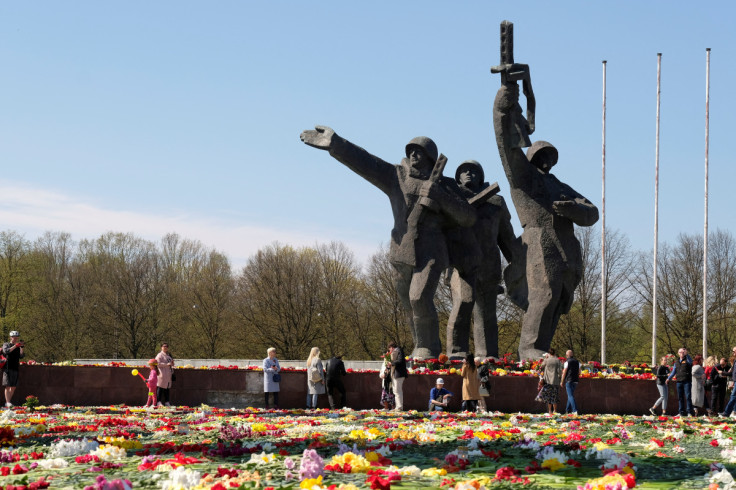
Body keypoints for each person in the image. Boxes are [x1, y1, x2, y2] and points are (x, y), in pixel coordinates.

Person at [301, 126, 477, 359]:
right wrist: (336, 143)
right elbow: (367, 163)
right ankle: (421, 345)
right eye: (411, 151)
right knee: (408, 303)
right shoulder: (397, 177)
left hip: (431, 250)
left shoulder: (444, 185)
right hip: (401, 251)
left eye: (420, 152)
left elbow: (468, 216)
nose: (414, 155)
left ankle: (428, 348)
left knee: (419, 296)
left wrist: (439, 195)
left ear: (430, 157)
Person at [492, 82, 599, 360]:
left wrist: (571, 209)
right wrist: (503, 107)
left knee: (559, 298)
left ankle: (540, 349)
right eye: (542, 156)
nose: (547, 161)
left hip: (565, 246)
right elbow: (505, 145)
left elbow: (592, 212)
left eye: (550, 157)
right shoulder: (523, 179)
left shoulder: (559, 184)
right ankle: (529, 348)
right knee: (545, 294)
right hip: (539, 241)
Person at [446, 160, 518, 359]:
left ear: (482, 176)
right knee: (462, 305)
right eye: (464, 171)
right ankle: (456, 352)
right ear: (457, 177)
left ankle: (487, 355)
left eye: (473, 171)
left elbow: (507, 236)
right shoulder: (452, 198)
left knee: (486, 313)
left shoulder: (496, 203)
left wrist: (518, 262)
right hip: (460, 264)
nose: (469, 173)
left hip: (488, 265)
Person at [666, 348, 695, 417]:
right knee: (680, 397)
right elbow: (673, 371)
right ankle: (681, 412)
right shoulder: (676, 362)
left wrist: (687, 354)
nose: (681, 353)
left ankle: (689, 412)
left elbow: (691, 362)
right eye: (680, 352)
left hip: (686, 381)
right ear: (678, 353)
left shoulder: (687, 359)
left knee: (688, 396)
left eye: (683, 352)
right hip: (679, 381)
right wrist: (668, 378)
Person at [2, 331, 24, 408]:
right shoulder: (6, 344)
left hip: (15, 368)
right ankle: (8, 402)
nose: (15, 339)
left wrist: (21, 347)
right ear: (11, 337)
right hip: (7, 368)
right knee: (7, 386)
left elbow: (21, 356)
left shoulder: (18, 346)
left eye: (16, 338)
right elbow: (6, 351)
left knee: (13, 386)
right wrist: (15, 346)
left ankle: (8, 402)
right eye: (14, 337)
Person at [539, 349, 562, 415]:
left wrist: (545, 358)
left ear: (549, 353)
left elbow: (541, 367)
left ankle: (549, 411)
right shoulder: (557, 360)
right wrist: (560, 378)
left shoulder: (546, 360)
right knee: (555, 396)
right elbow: (560, 371)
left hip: (547, 380)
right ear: (555, 353)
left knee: (548, 396)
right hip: (555, 380)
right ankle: (555, 410)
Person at [388, 342, 408, 410]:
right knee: (395, 391)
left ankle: (399, 407)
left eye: (389, 349)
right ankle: (398, 406)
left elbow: (400, 360)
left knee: (398, 390)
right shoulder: (396, 351)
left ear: (392, 347)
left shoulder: (399, 350)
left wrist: (392, 363)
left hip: (399, 374)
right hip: (395, 374)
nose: (389, 351)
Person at [560, 349, 580, 415]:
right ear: (572, 354)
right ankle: (567, 410)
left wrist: (562, 381)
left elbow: (564, 372)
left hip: (569, 380)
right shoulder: (577, 362)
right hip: (575, 380)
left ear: (567, 355)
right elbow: (579, 372)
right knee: (570, 395)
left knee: (570, 395)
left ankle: (575, 410)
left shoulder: (567, 362)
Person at [155, 342, 175, 407]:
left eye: (166, 346)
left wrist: (172, 363)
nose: (165, 347)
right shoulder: (159, 355)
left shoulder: (169, 355)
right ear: (161, 347)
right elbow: (157, 363)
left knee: (167, 389)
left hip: (168, 374)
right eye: (164, 346)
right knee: (160, 388)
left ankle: (167, 401)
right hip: (162, 374)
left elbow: (171, 363)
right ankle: (158, 402)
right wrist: (166, 364)